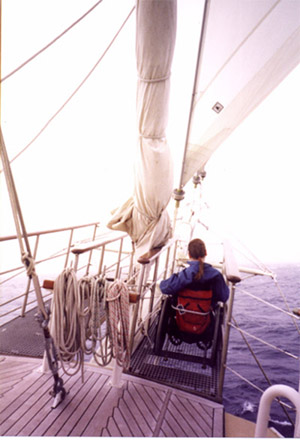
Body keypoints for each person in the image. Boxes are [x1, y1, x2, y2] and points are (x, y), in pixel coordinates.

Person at [160, 238, 229, 307]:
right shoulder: (216, 275)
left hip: (183, 315)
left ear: (189, 255)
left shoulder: (184, 275)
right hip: (206, 315)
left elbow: (164, 288)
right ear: (205, 253)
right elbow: (224, 297)